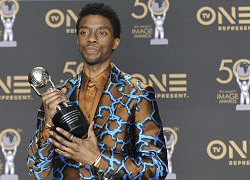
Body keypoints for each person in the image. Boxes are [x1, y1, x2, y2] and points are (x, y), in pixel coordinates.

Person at [27, 3, 168, 179]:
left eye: (101, 33)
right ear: (78, 39)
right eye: (84, 32)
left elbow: (156, 169)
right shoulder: (59, 96)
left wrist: (97, 159)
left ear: (115, 42)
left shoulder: (137, 94)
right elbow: (37, 172)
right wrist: (48, 123)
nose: (91, 38)